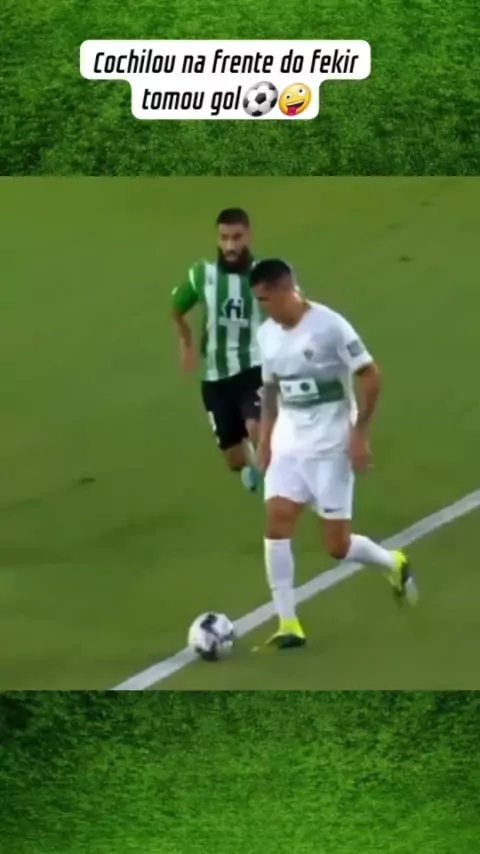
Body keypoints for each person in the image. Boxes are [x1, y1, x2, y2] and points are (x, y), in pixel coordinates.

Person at [250, 258, 418, 649]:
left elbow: (371, 377)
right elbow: (271, 389)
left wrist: (360, 433)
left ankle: (392, 563)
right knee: (276, 523)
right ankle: (288, 623)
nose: (263, 308)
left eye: (266, 299)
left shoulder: (330, 327)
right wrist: (266, 439)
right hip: (289, 442)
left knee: (336, 547)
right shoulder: (267, 334)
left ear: (286, 289)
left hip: (330, 445)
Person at [172, 208, 262, 491]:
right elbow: (176, 308)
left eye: (237, 237)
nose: (230, 246)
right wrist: (186, 342)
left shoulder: (264, 274)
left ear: (248, 236)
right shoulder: (203, 275)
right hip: (215, 379)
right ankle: (248, 460)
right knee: (234, 460)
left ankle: (286, 480)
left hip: (253, 367)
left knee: (258, 429)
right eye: (224, 238)